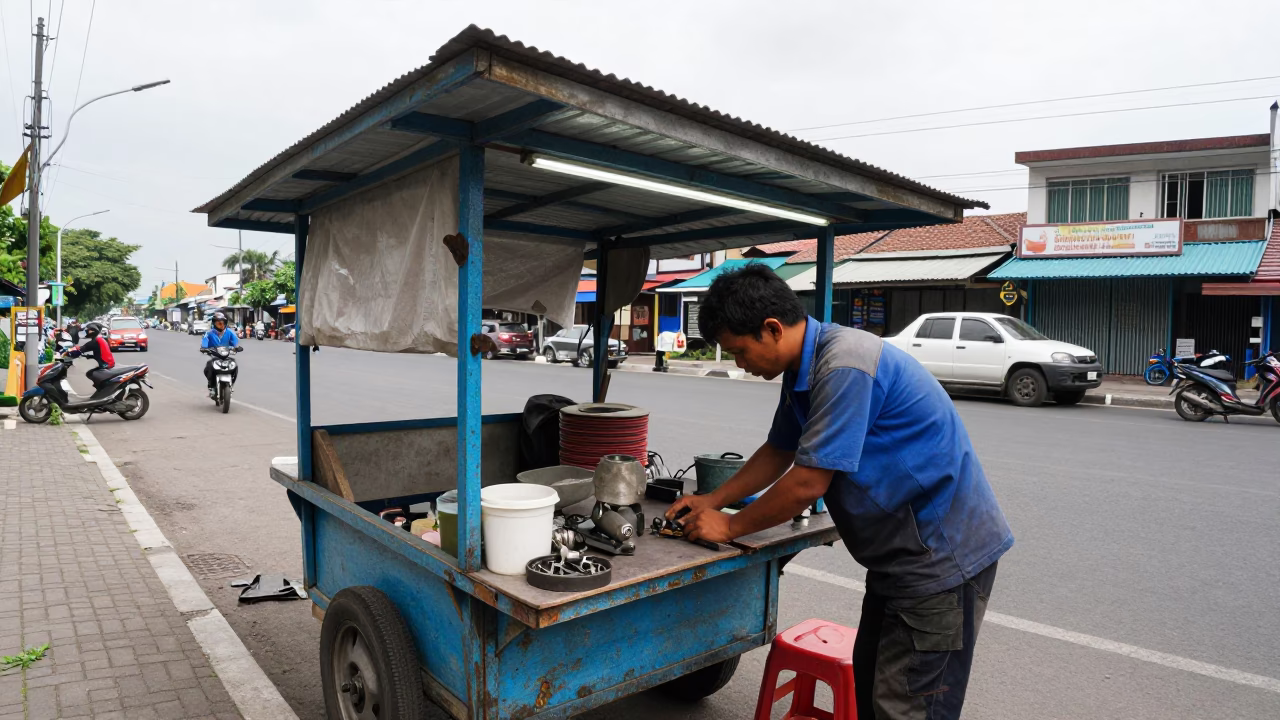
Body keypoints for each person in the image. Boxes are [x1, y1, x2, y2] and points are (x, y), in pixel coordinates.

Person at [666, 265, 1012, 720]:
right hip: (899, 559)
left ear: (771, 329)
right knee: (873, 695)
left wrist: (730, 525)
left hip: (941, 561)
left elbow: (808, 483)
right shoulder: (802, 368)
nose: (739, 364)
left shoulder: (844, 363)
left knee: (907, 708)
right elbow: (780, 450)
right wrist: (713, 500)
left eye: (739, 351)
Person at [201, 312, 240, 394]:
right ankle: (211, 385)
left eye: (222, 323)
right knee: (208, 367)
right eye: (218, 323)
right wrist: (204, 348)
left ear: (225, 323)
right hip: (215, 355)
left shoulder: (230, 332)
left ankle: (231, 384)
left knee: (235, 366)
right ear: (214, 323)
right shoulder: (209, 333)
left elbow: (235, 343)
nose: (220, 325)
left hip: (226, 355)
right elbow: (205, 342)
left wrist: (236, 348)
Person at [68, 321, 116, 387]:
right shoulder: (100, 339)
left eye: (88, 330)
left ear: (93, 331)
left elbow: (81, 350)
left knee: (82, 370)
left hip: (103, 364)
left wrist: (69, 353)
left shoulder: (95, 341)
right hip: (104, 362)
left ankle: (86, 387)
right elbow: (97, 352)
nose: (86, 332)